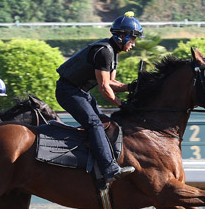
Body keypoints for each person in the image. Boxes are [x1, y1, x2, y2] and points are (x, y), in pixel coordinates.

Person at [55, 11, 143, 187]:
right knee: (94, 124)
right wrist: (122, 104)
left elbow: (111, 82)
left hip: (80, 91)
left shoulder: (113, 52)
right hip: (68, 91)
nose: (133, 44)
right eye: (132, 39)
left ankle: (96, 160)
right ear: (121, 36)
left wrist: (130, 87)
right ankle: (108, 168)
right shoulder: (104, 52)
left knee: (103, 122)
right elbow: (104, 88)